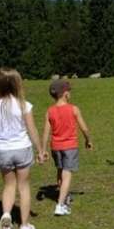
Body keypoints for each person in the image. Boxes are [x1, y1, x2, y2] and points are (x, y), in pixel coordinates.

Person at [0, 68, 45, 229]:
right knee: (23, 187)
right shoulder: (24, 105)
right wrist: (40, 150)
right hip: (22, 149)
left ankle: (6, 215)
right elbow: (32, 130)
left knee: (9, 185)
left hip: (3, 150)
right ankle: (25, 226)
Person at [42, 80, 92, 216]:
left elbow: (46, 132)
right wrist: (88, 140)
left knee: (60, 171)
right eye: (69, 91)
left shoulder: (50, 111)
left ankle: (64, 197)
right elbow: (84, 128)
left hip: (55, 147)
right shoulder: (73, 109)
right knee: (67, 173)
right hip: (70, 147)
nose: (70, 93)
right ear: (65, 94)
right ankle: (60, 205)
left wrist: (43, 150)